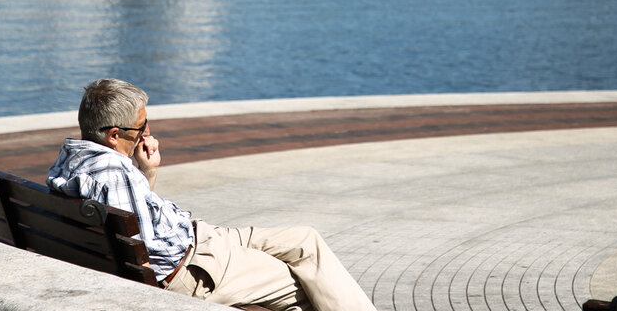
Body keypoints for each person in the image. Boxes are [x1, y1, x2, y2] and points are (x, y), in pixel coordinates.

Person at [48, 78, 377, 311]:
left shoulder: (71, 161)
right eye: (141, 127)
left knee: (307, 240)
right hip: (195, 268)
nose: (146, 132)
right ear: (114, 134)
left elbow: (132, 228)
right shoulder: (115, 175)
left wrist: (146, 171)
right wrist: (209, 250)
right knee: (305, 284)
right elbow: (158, 258)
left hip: (198, 237)